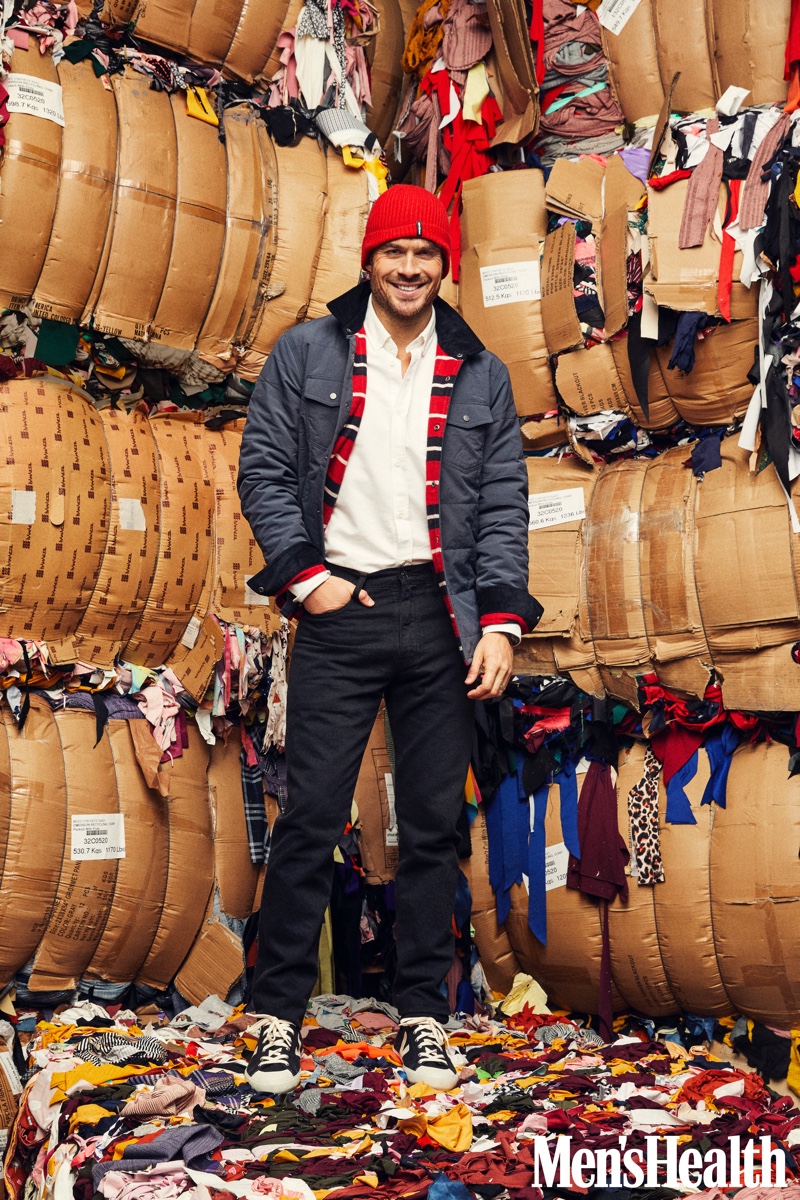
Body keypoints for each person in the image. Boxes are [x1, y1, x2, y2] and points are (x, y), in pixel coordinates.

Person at [238, 183, 541, 1095]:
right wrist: (309, 580)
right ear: (368, 261)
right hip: (344, 608)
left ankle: (421, 1015)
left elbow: (500, 507)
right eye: (393, 254)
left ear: (446, 266)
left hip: (440, 616)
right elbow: (262, 466)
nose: (409, 269)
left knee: (434, 826)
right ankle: (277, 1018)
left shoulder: (479, 370)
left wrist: (499, 623)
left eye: (426, 256)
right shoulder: (309, 352)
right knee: (314, 818)